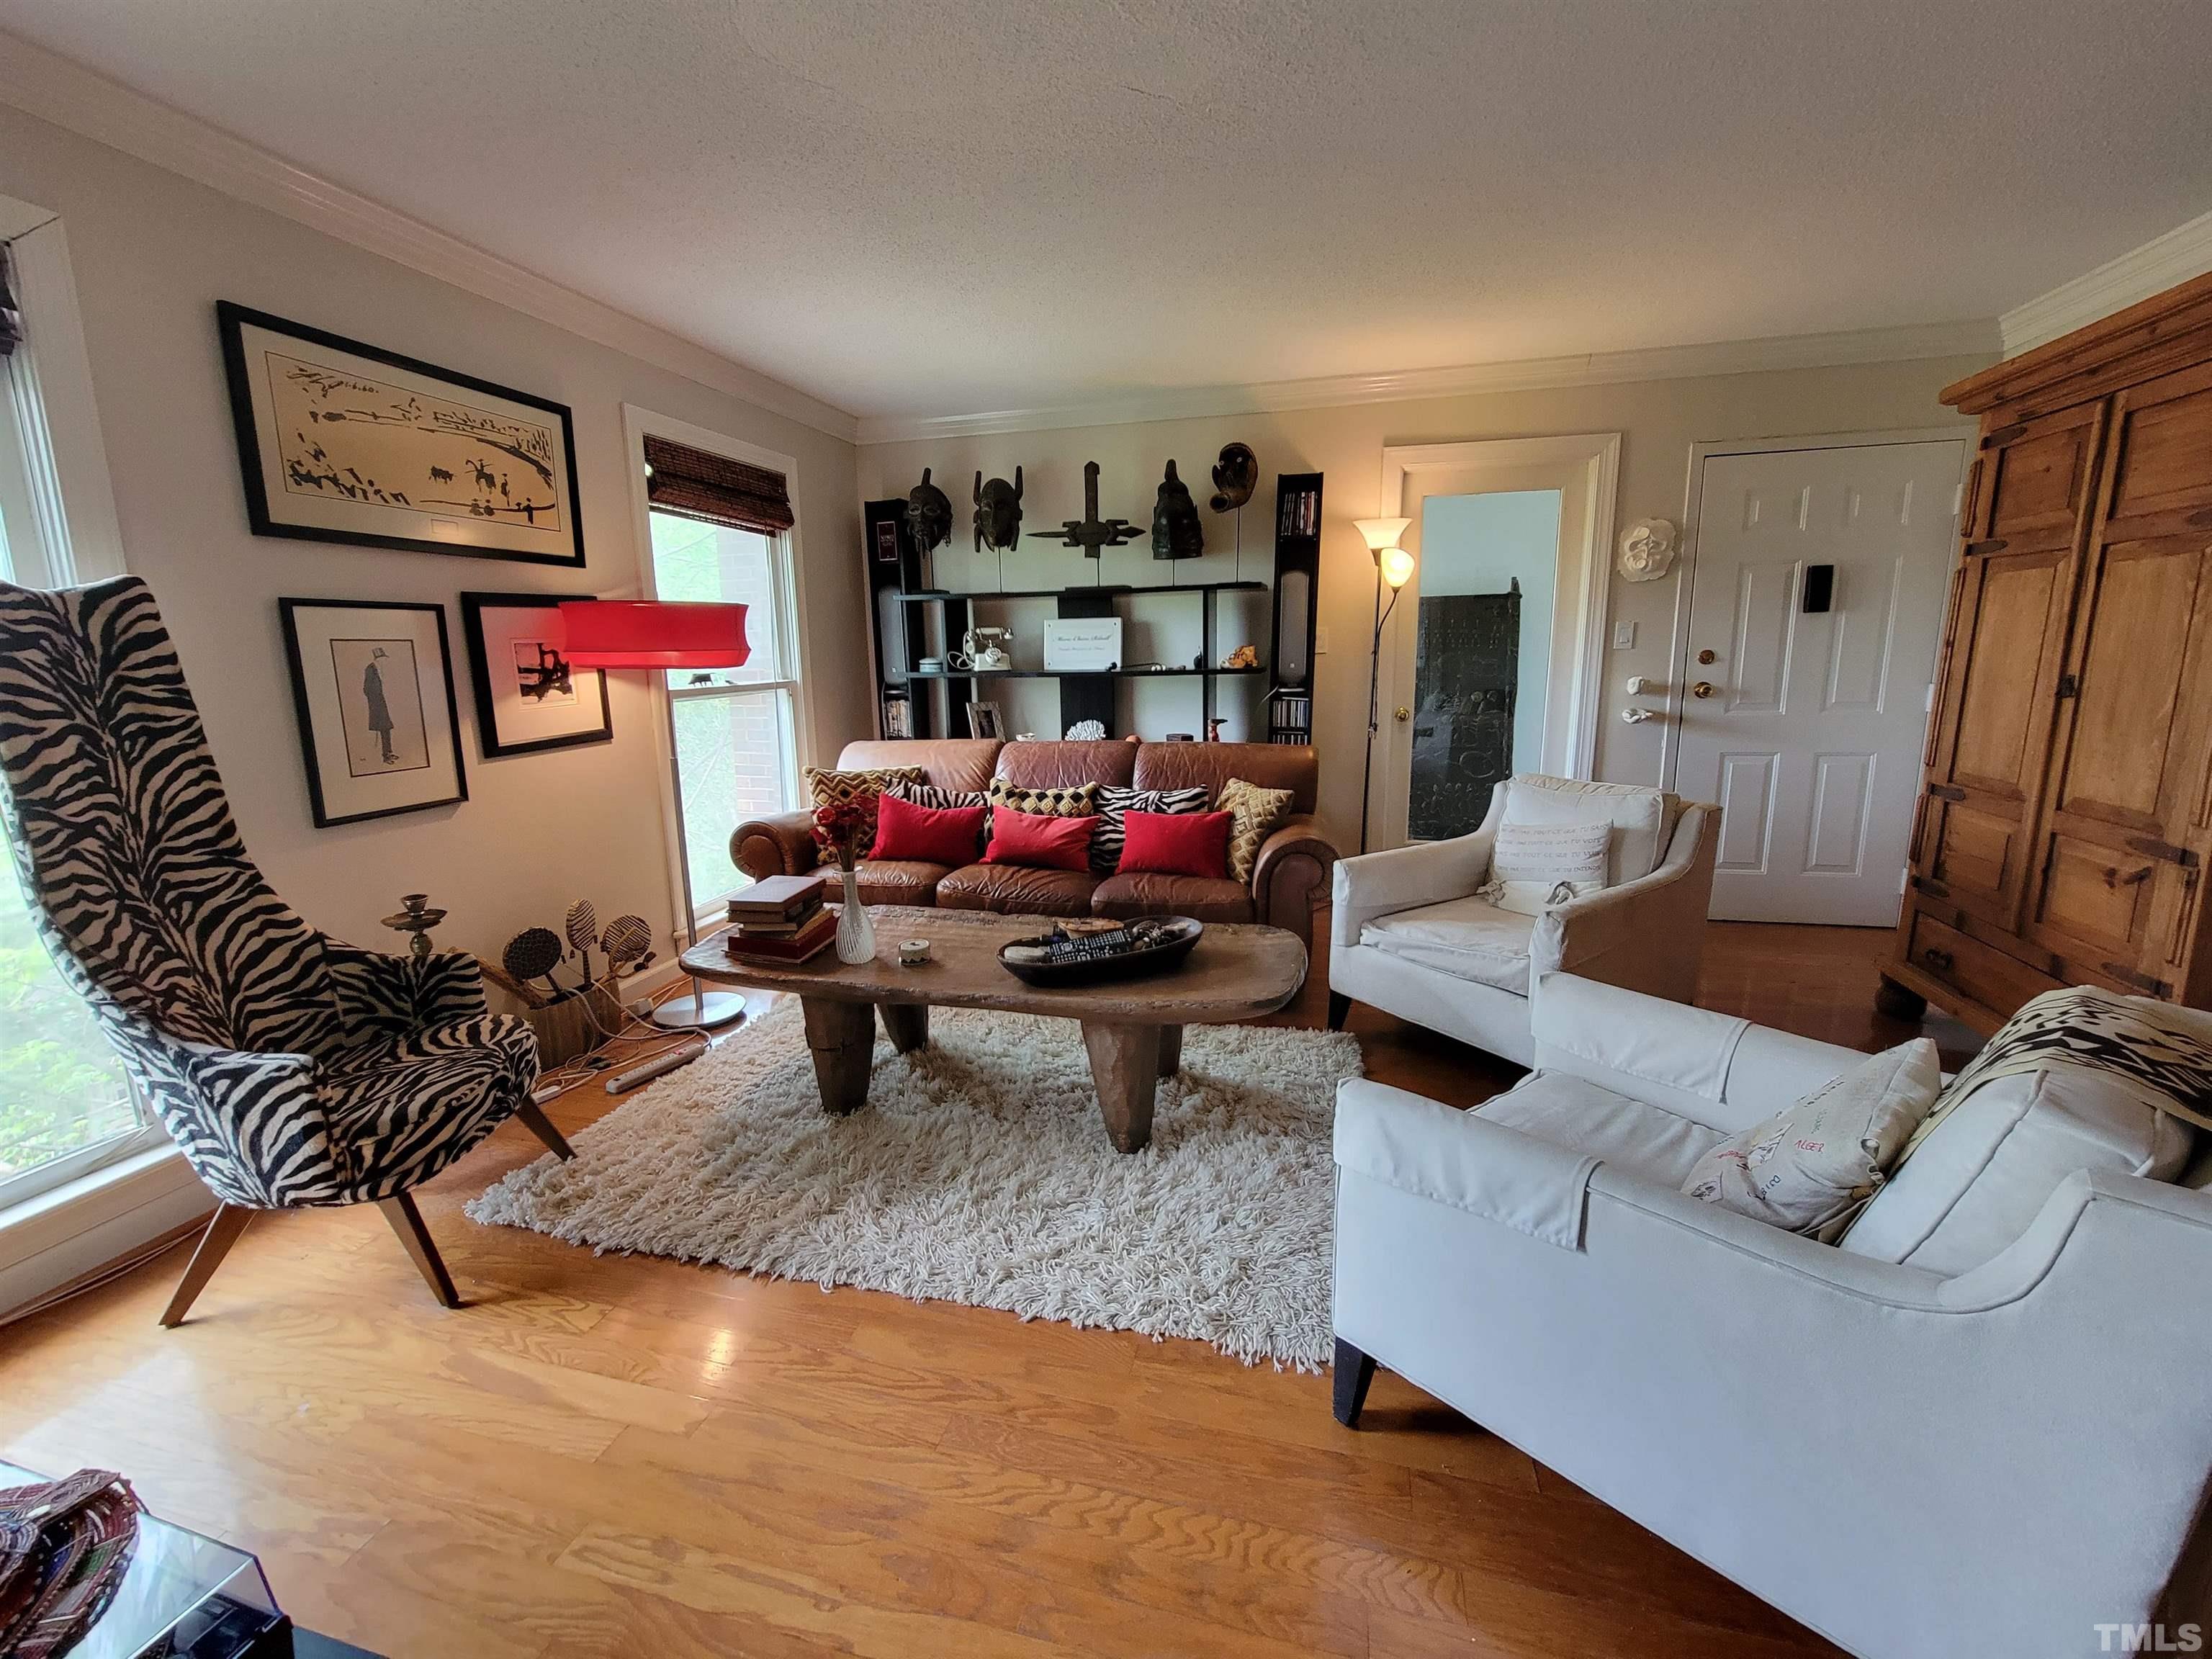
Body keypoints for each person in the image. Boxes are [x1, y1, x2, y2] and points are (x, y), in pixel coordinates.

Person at [363, 647, 397, 765]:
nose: (384, 661)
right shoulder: (371, 669)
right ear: (378, 659)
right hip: (377, 704)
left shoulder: (379, 669)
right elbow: (367, 688)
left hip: (382, 702)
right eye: (382, 658)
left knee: (386, 728)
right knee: (384, 728)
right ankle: (386, 756)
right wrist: (375, 700)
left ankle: (388, 751)